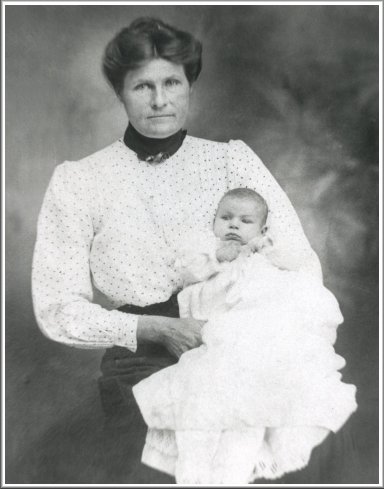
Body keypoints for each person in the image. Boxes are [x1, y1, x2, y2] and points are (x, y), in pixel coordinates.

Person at [31, 17, 344, 483]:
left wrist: (265, 330)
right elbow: (57, 308)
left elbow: (298, 260)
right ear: (120, 92)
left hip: (240, 349)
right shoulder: (78, 181)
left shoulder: (230, 160)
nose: (160, 100)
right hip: (141, 359)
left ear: (189, 84)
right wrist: (158, 327)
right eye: (143, 86)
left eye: (172, 82)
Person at [131, 188, 357, 484]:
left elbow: (297, 265)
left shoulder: (266, 253)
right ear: (213, 223)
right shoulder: (207, 250)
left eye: (245, 221)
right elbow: (185, 272)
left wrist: (266, 246)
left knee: (260, 383)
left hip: (264, 324)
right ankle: (201, 471)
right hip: (224, 320)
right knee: (216, 390)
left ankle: (232, 471)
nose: (234, 225)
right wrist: (215, 256)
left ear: (262, 229)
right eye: (226, 218)